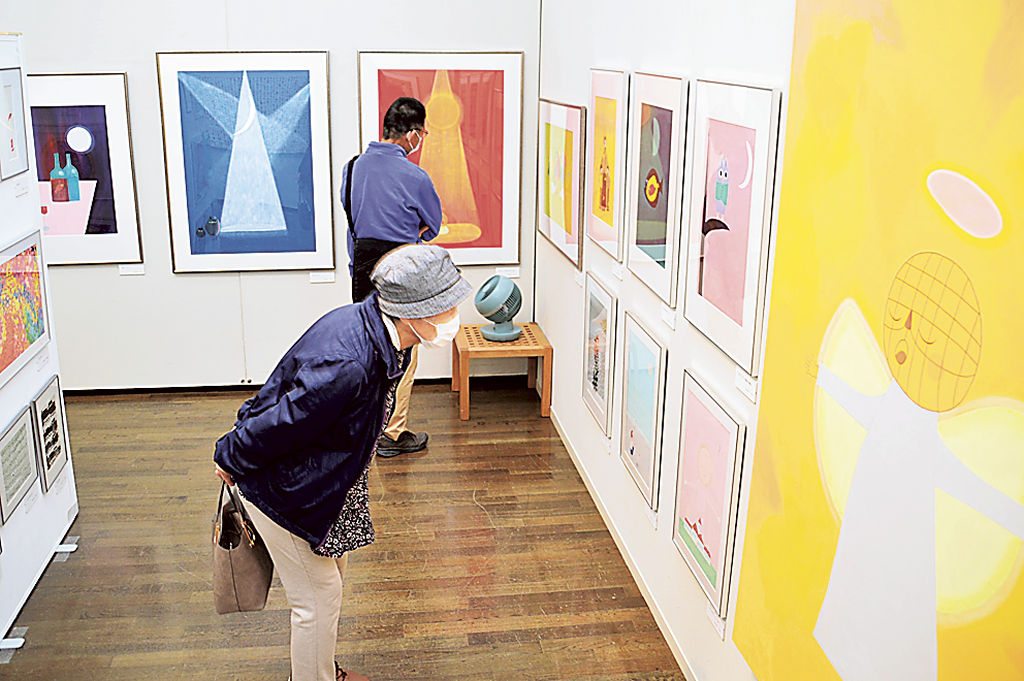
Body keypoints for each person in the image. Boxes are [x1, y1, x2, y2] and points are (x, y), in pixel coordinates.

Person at [213, 245, 470, 681]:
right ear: (412, 311)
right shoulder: (350, 361)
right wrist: (230, 455)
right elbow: (282, 422)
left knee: (331, 579)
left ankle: (322, 671)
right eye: (445, 307)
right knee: (318, 598)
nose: (454, 315)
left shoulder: (381, 335)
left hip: (327, 480)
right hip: (288, 489)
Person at [341, 96, 441, 458]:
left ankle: (362, 426)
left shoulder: (352, 168)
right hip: (401, 275)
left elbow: (353, 217)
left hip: (362, 273)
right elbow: (433, 226)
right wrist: (409, 234)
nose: (421, 140)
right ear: (412, 134)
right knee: (403, 353)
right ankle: (391, 433)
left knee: (367, 350)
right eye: (423, 134)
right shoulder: (416, 177)